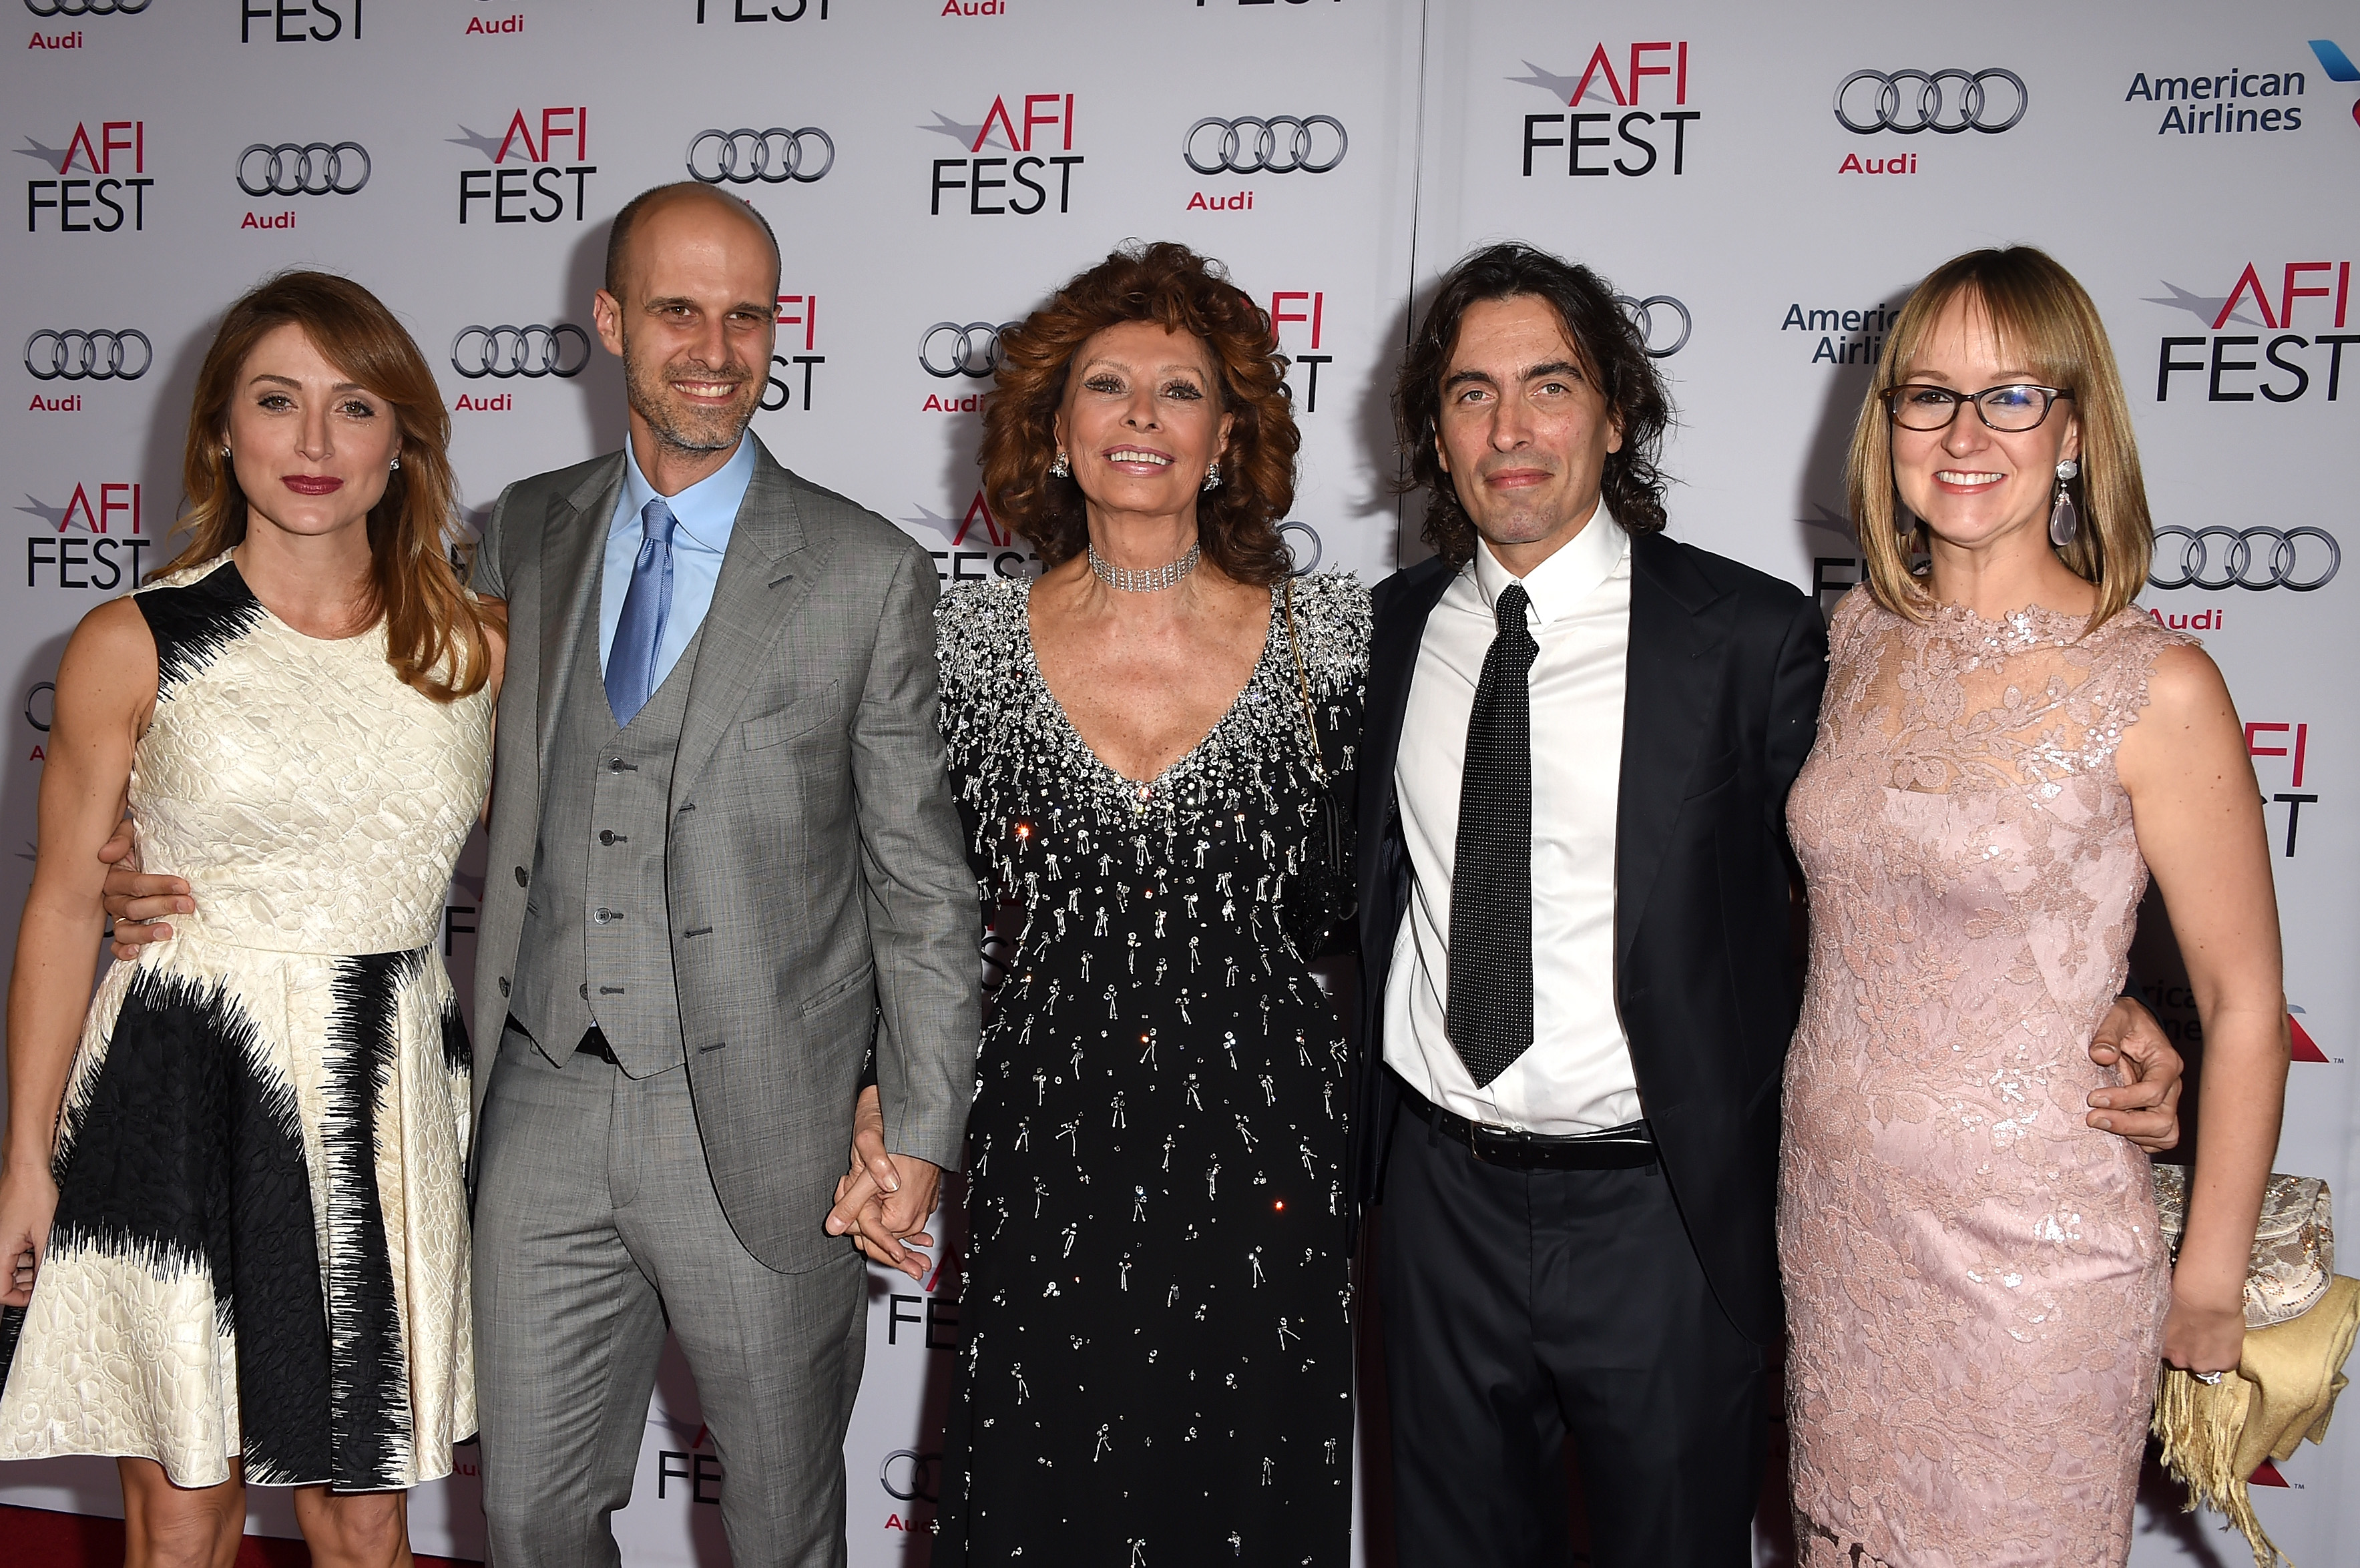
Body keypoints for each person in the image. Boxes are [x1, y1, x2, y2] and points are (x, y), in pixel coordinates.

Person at [99, 182, 982, 1568]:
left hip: (766, 1122)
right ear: (613, 322)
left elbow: (923, 881)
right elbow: (351, 725)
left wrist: (918, 1123)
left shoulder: (862, 570)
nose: (713, 344)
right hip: (538, 1111)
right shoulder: (524, 535)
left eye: (745, 313)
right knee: (528, 1516)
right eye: (678, 309)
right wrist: (152, 847)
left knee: (780, 1522)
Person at [1349, 242, 2188, 1567]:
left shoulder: (1747, 637)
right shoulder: (1384, 632)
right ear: (1432, 432)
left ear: (1615, 412)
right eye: (1469, 392)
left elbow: (1954, 827)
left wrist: (2156, 996)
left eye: (1551, 384)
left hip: (1667, 1216)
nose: (1511, 427)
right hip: (1436, 1206)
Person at [850, 240, 1366, 1563]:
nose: (1142, 415)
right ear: (1054, 429)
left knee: (1246, 1481)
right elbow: (916, 901)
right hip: (1049, 1126)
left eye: (1180, 389)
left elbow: (1361, 901)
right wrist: (881, 1093)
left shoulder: (1332, 633)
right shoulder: (960, 643)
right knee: (1047, 1480)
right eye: (1107, 386)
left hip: (1268, 1137)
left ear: (1228, 437)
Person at [1779, 246, 2286, 1567]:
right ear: (1882, 422)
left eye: (2009, 397)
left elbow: (2239, 1004)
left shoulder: (2153, 684)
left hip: (2032, 1259)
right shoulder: (1847, 643)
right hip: (1835, 1237)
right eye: (1926, 395)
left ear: (2072, 427)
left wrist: (2211, 1280)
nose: (1961, 433)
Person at [0, 271, 503, 1567]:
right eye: (278, 402)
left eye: (355, 407)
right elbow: (61, 906)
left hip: (378, 1096)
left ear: (404, 442)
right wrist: (23, 1160)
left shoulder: (478, 649)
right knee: (182, 1507)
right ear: (223, 430)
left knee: (364, 1512)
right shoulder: (136, 640)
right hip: (176, 1085)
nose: (316, 443)